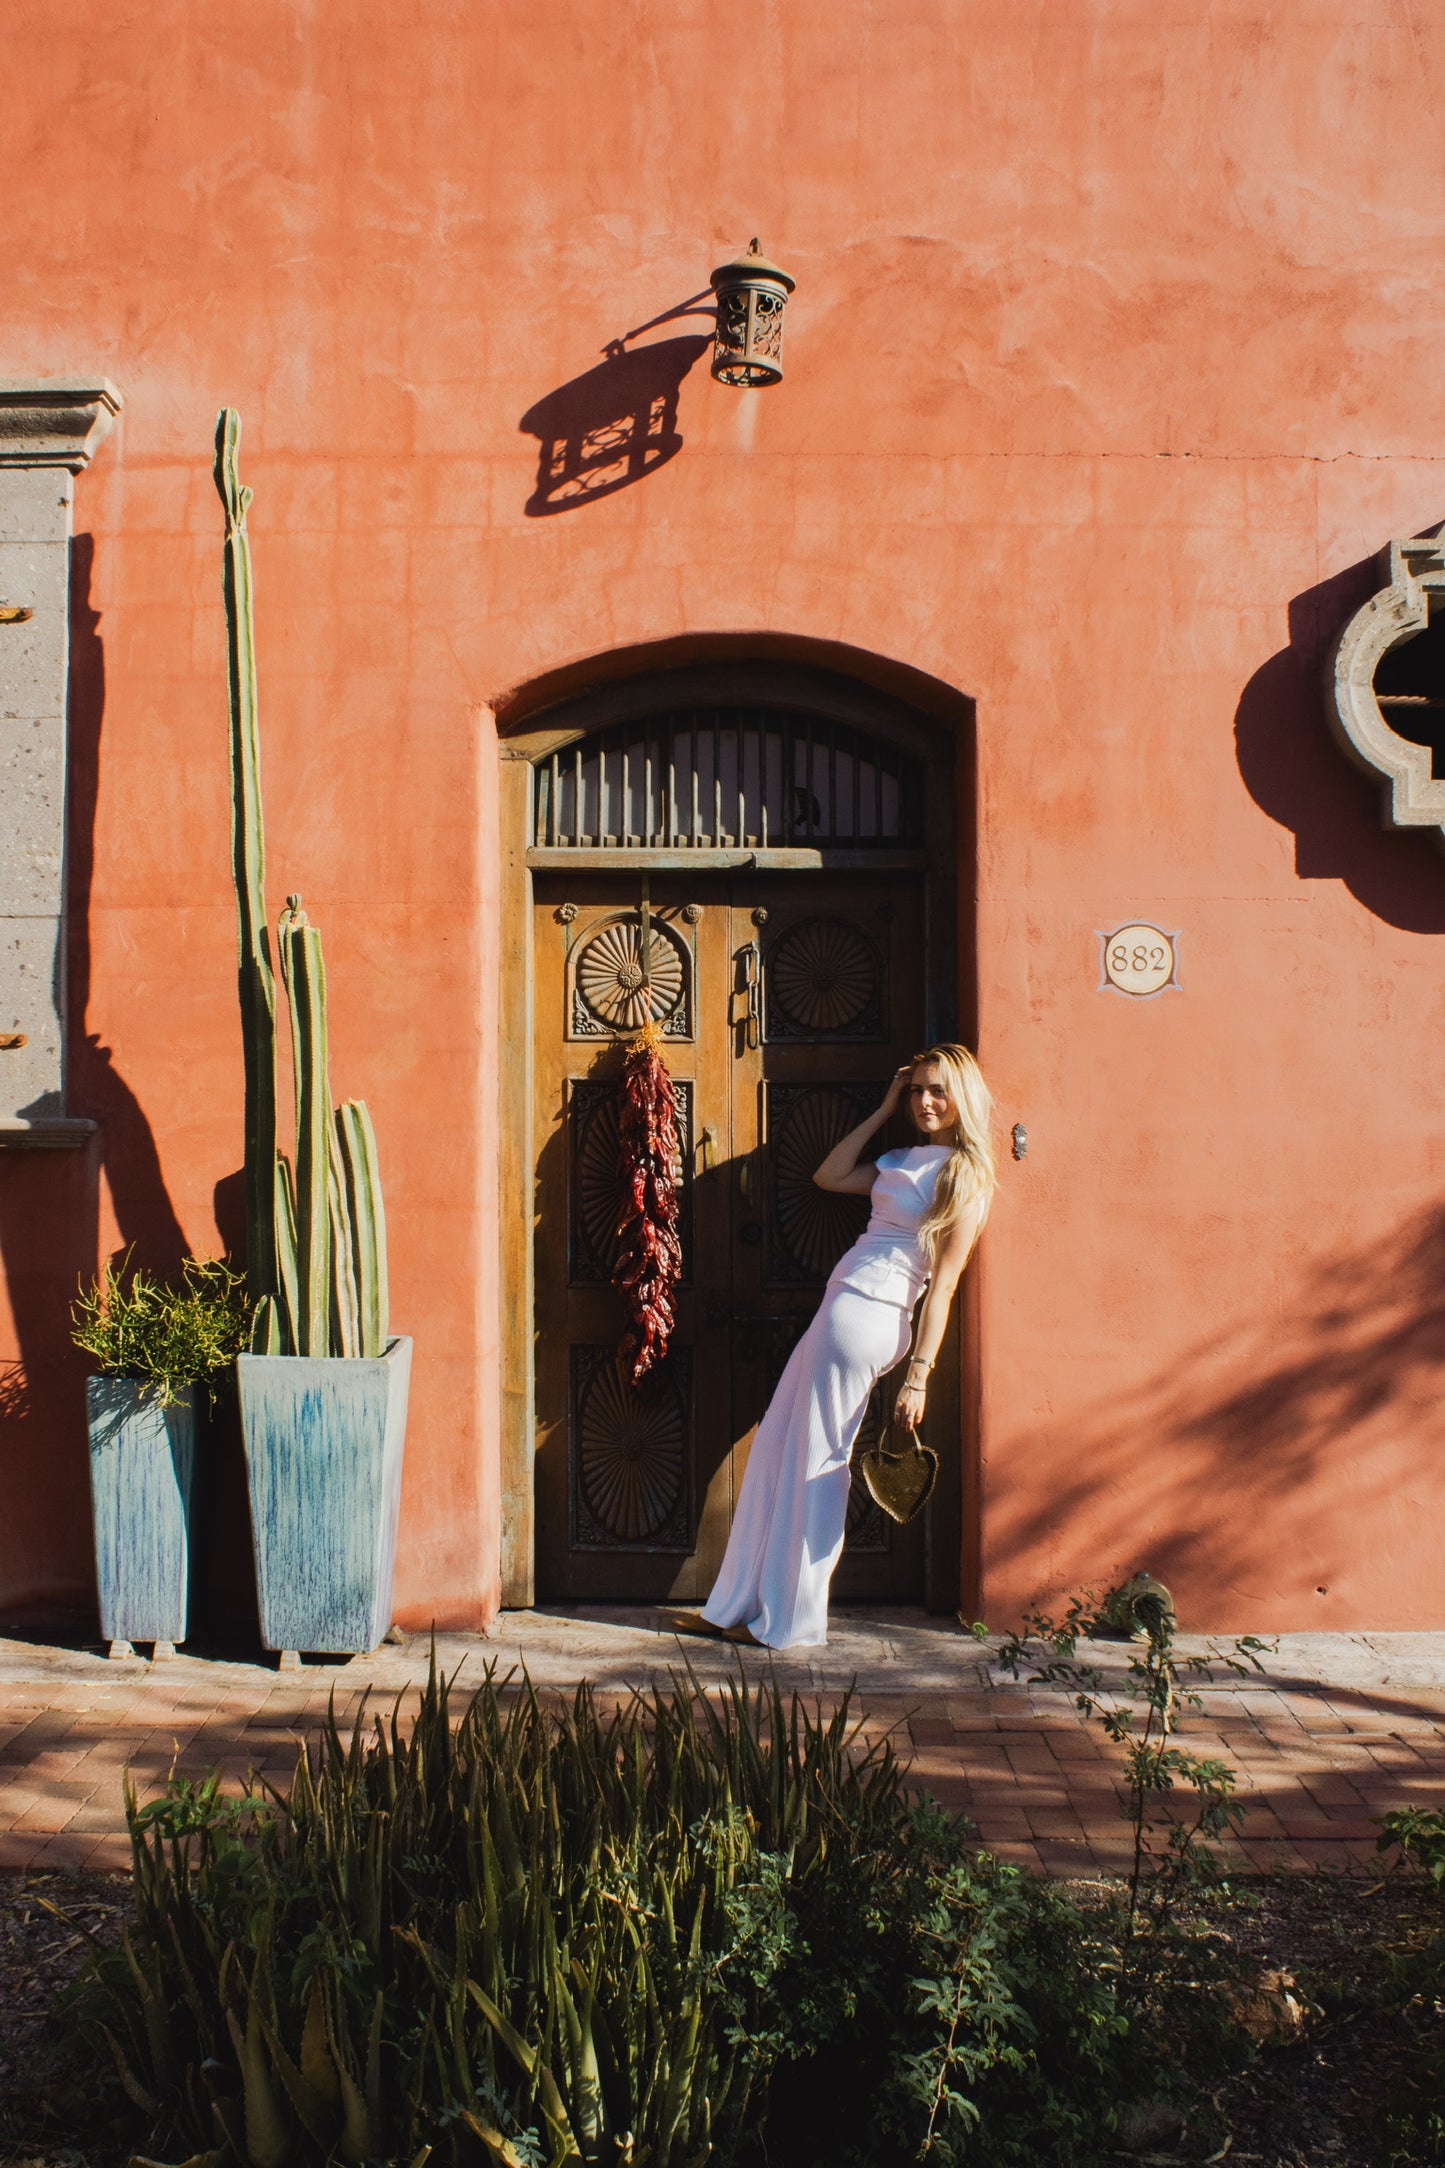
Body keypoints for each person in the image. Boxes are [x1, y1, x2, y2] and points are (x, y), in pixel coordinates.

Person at [669, 1043, 996, 1650]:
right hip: (840, 1307)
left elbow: (945, 1285)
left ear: (963, 1098)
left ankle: (793, 1620)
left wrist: (919, 1375)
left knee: (819, 1461)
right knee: (778, 1448)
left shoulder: (965, 1176)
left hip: (873, 1314)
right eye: (917, 1090)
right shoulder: (900, 1159)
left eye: (938, 1091)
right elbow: (829, 1175)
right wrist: (883, 1108)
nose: (925, 1102)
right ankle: (740, 1602)